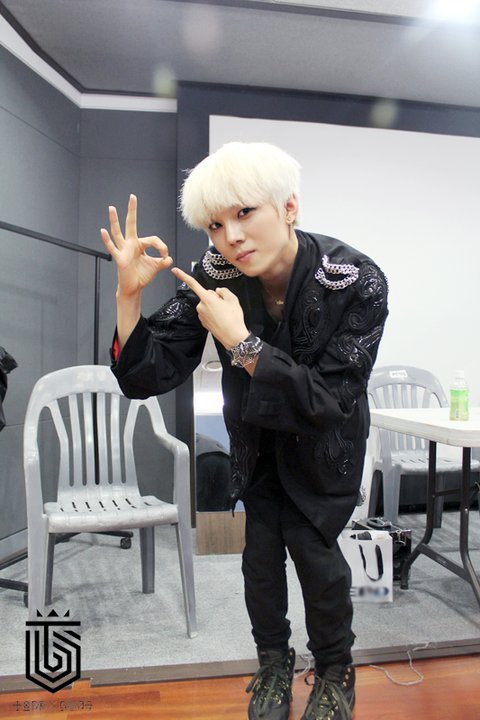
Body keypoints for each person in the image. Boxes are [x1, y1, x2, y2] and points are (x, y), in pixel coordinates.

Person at [101, 141, 388, 720]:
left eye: (244, 213)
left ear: (288, 207)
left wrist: (242, 343)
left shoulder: (354, 279)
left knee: (318, 563)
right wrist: (129, 294)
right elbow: (148, 373)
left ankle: (336, 671)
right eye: (215, 224)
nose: (230, 236)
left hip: (324, 448)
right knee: (259, 561)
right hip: (256, 446)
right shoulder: (215, 272)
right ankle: (274, 665)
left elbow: (330, 399)